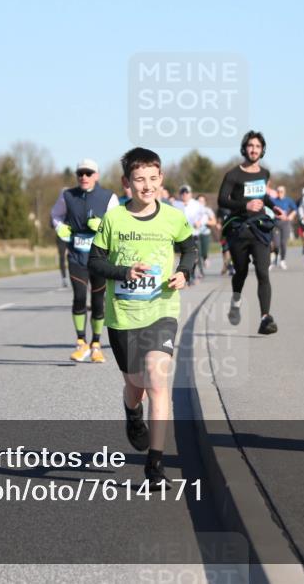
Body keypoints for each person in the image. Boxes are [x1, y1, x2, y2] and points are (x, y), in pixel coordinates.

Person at [88, 147, 197, 486]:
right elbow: (95, 262)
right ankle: (133, 413)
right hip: (123, 316)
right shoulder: (114, 219)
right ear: (127, 182)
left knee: (157, 379)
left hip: (162, 309)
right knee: (136, 386)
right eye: (139, 179)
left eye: (152, 178)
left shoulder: (173, 217)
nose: (147, 186)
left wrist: (184, 272)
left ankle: (155, 465)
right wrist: (124, 272)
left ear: (161, 179)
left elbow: (190, 248)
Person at [51, 159, 119, 362]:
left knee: (98, 302)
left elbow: (117, 225)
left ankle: (96, 345)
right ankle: (81, 343)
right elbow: (55, 215)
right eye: (80, 173)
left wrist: (102, 225)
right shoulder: (67, 195)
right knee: (79, 297)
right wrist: (60, 227)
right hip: (77, 256)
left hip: (100, 258)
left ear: (96, 175)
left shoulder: (108, 197)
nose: (84, 177)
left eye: (88, 173)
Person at [218, 131, 285, 335]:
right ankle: (236, 301)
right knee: (241, 272)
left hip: (259, 229)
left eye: (257, 146)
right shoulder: (233, 174)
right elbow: (222, 200)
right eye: (250, 146)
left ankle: (265, 318)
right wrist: (245, 206)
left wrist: (272, 206)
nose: (254, 150)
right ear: (244, 148)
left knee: (263, 272)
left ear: (262, 150)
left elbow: (262, 196)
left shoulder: (264, 173)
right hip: (239, 229)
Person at [271, 185, 297, 270]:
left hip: (285, 223)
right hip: (276, 224)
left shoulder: (288, 200)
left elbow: (295, 209)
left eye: (281, 191)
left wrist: (291, 216)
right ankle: (275, 258)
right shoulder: (273, 200)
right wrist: (275, 215)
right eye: (278, 191)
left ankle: (282, 260)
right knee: (276, 244)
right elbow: (268, 209)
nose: (280, 193)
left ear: (284, 192)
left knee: (283, 243)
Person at [196, 195, 216, 278]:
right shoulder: (193, 210)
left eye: (202, 201)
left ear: (205, 202)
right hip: (195, 234)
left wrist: (205, 221)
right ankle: (200, 271)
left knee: (204, 252)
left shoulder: (207, 210)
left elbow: (214, 222)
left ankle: (205, 258)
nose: (200, 203)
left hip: (205, 233)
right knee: (198, 253)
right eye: (199, 201)